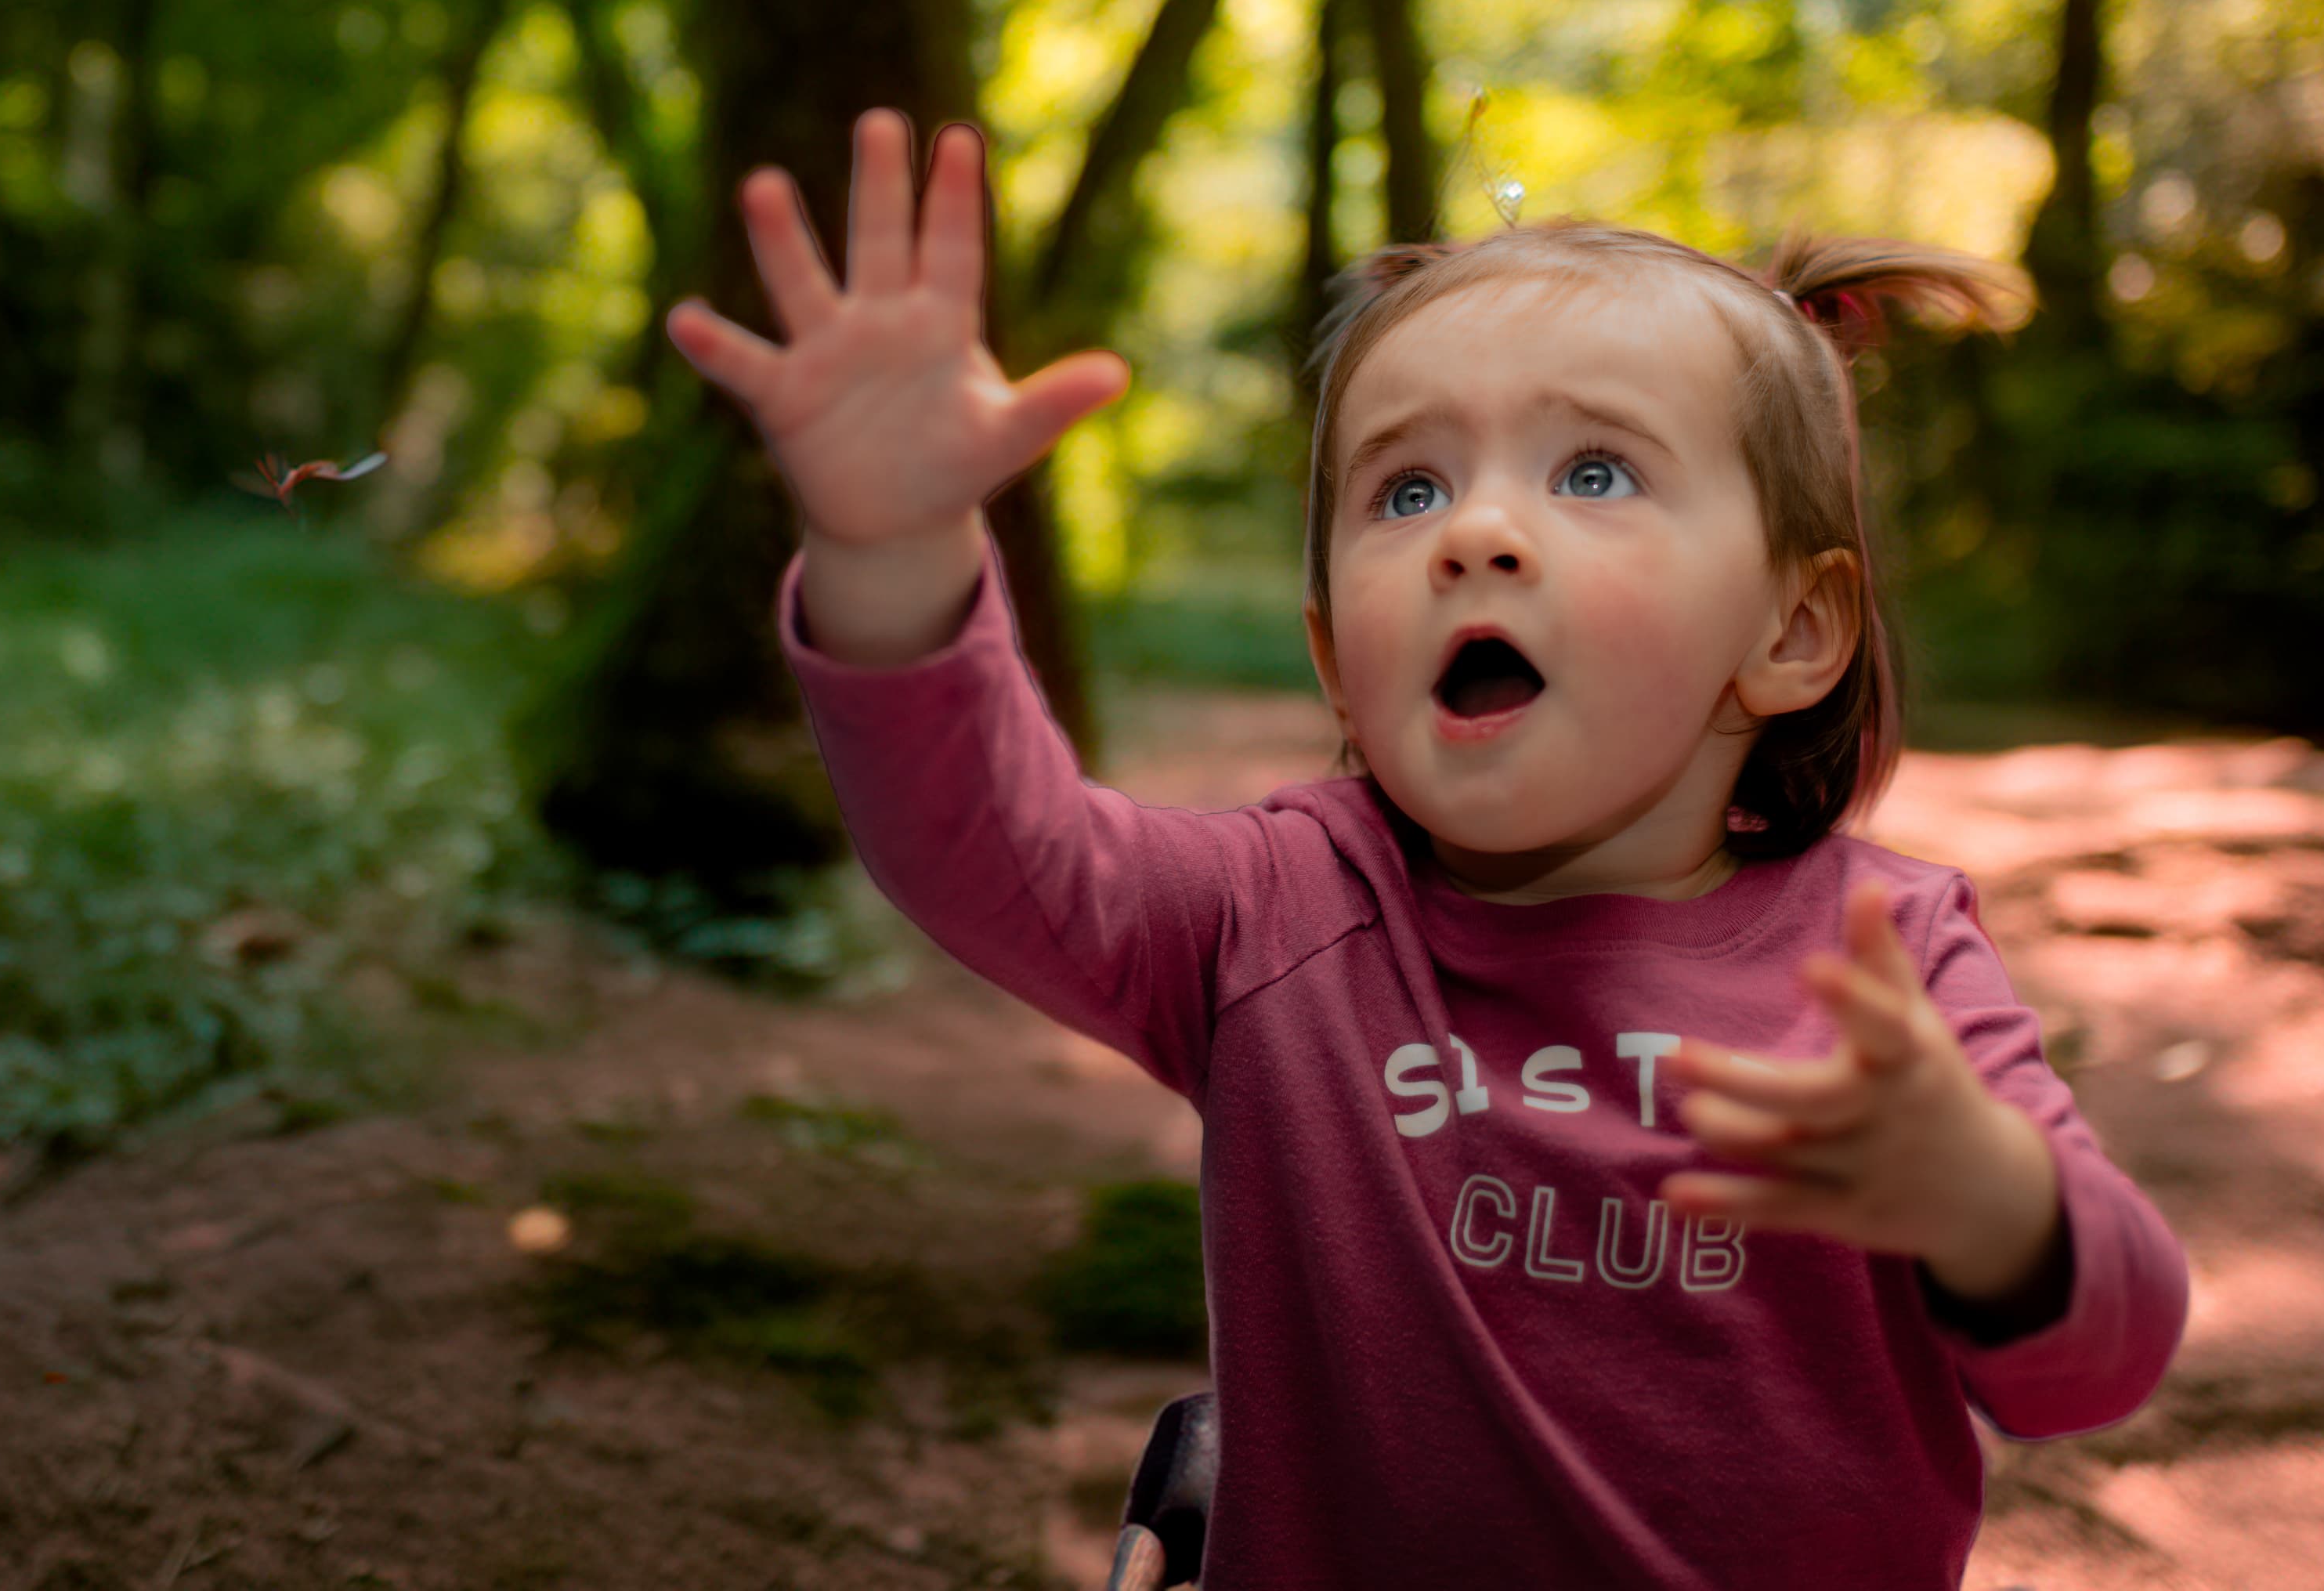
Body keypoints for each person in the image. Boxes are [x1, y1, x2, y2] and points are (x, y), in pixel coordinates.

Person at [664, 110, 2189, 1589]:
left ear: (1790, 628)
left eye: (1594, 471)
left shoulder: (1886, 965)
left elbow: (2098, 1360)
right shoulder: (1284, 912)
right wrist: (895, 555)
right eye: (1407, 486)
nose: (1477, 531)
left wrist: (1992, 1198)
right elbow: (990, 849)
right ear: (1336, 655)